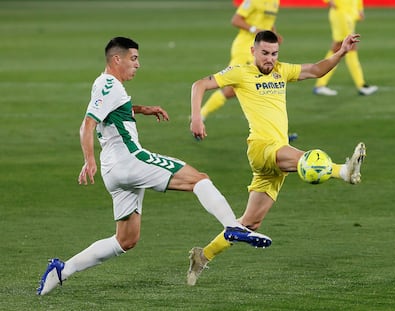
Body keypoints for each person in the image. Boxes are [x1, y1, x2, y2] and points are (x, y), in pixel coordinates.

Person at [36, 36, 273, 296]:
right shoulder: (109, 85)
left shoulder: (105, 84)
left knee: (125, 240)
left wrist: (141, 109)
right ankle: (232, 226)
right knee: (198, 179)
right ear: (117, 59)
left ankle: (61, 271)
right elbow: (87, 124)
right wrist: (88, 159)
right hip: (130, 160)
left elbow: (112, 113)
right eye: (133, 59)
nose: (138, 64)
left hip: (114, 172)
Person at [187, 30, 366, 285]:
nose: (270, 59)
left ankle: (202, 256)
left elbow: (316, 70)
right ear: (253, 51)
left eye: (274, 54)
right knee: (307, 160)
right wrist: (196, 116)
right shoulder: (241, 72)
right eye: (265, 53)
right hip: (261, 148)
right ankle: (342, 171)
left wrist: (340, 53)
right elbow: (200, 84)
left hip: (276, 156)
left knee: (249, 224)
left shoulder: (282, 71)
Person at [313, 0, 378, 96]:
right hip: (341, 14)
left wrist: (359, 9)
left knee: (338, 48)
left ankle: (320, 84)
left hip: (349, 14)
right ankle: (361, 85)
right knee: (349, 46)